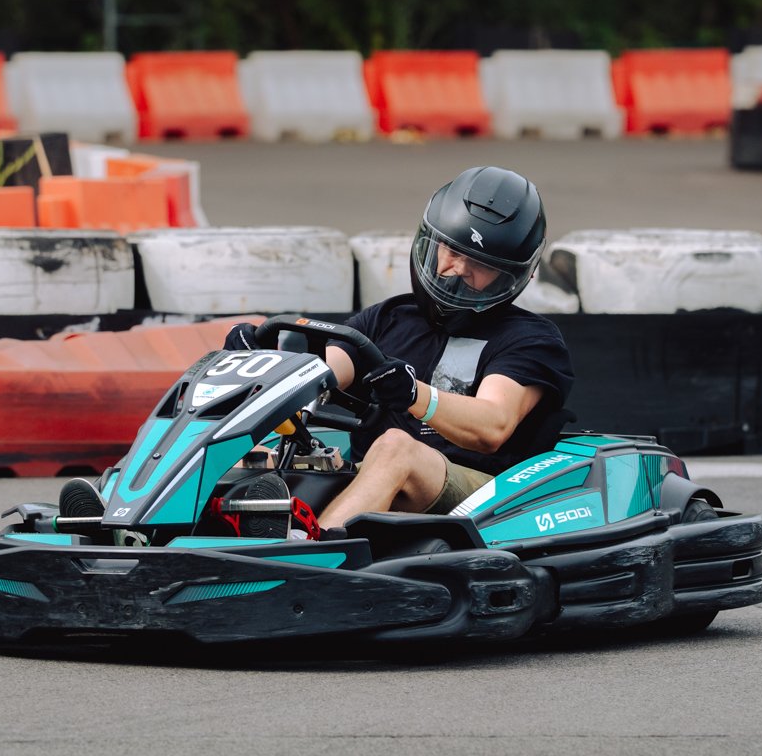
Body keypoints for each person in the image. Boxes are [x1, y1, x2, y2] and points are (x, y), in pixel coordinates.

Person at [60, 165, 573, 540]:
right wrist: (258, 363)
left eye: (478, 264)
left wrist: (415, 396)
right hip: (378, 483)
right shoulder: (387, 320)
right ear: (429, 241)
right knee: (256, 440)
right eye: (451, 250)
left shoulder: (529, 340)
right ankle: (128, 513)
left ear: (513, 276)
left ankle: (308, 548)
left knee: (395, 445)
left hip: (486, 500)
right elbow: (323, 374)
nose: (455, 270)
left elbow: (492, 425)